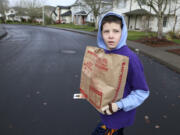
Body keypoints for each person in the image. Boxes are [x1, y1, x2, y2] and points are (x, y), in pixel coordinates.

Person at [91, 11, 150, 135]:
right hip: (106, 113)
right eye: (106, 31)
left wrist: (119, 105)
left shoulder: (131, 58)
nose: (111, 36)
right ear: (101, 34)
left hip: (117, 117)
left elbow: (142, 92)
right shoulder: (104, 53)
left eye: (116, 31)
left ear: (122, 33)